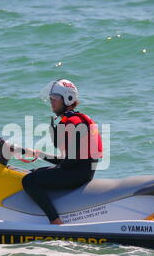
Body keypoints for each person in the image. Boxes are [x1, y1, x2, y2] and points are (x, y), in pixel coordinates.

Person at [21, 79, 103, 224]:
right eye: (51, 98)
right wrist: (38, 154)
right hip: (81, 171)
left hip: (78, 174)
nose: (51, 102)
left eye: (55, 99)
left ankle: (55, 220)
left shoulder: (73, 123)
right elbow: (69, 160)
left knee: (29, 180)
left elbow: (68, 163)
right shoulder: (77, 119)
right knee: (34, 173)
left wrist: (47, 164)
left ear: (68, 99)